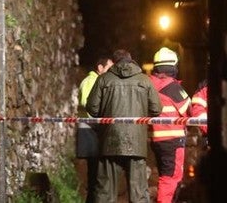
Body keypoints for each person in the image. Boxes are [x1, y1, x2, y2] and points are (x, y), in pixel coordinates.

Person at [86, 49, 162, 203]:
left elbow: (92, 108)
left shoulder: (104, 79)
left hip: (109, 142)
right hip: (137, 144)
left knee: (105, 194)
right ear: (131, 60)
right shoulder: (144, 80)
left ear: (114, 63)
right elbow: (156, 109)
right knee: (139, 194)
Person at [148, 47, 191, 203]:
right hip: (173, 140)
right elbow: (188, 108)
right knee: (171, 178)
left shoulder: (149, 85)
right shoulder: (172, 87)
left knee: (164, 176)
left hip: (157, 140)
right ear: (173, 67)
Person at [77, 57, 113, 203]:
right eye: (109, 68)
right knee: (95, 175)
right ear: (100, 67)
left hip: (94, 131)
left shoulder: (97, 81)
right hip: (90, 131)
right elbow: (86, 102)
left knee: (97, 174)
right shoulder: (90, 81)